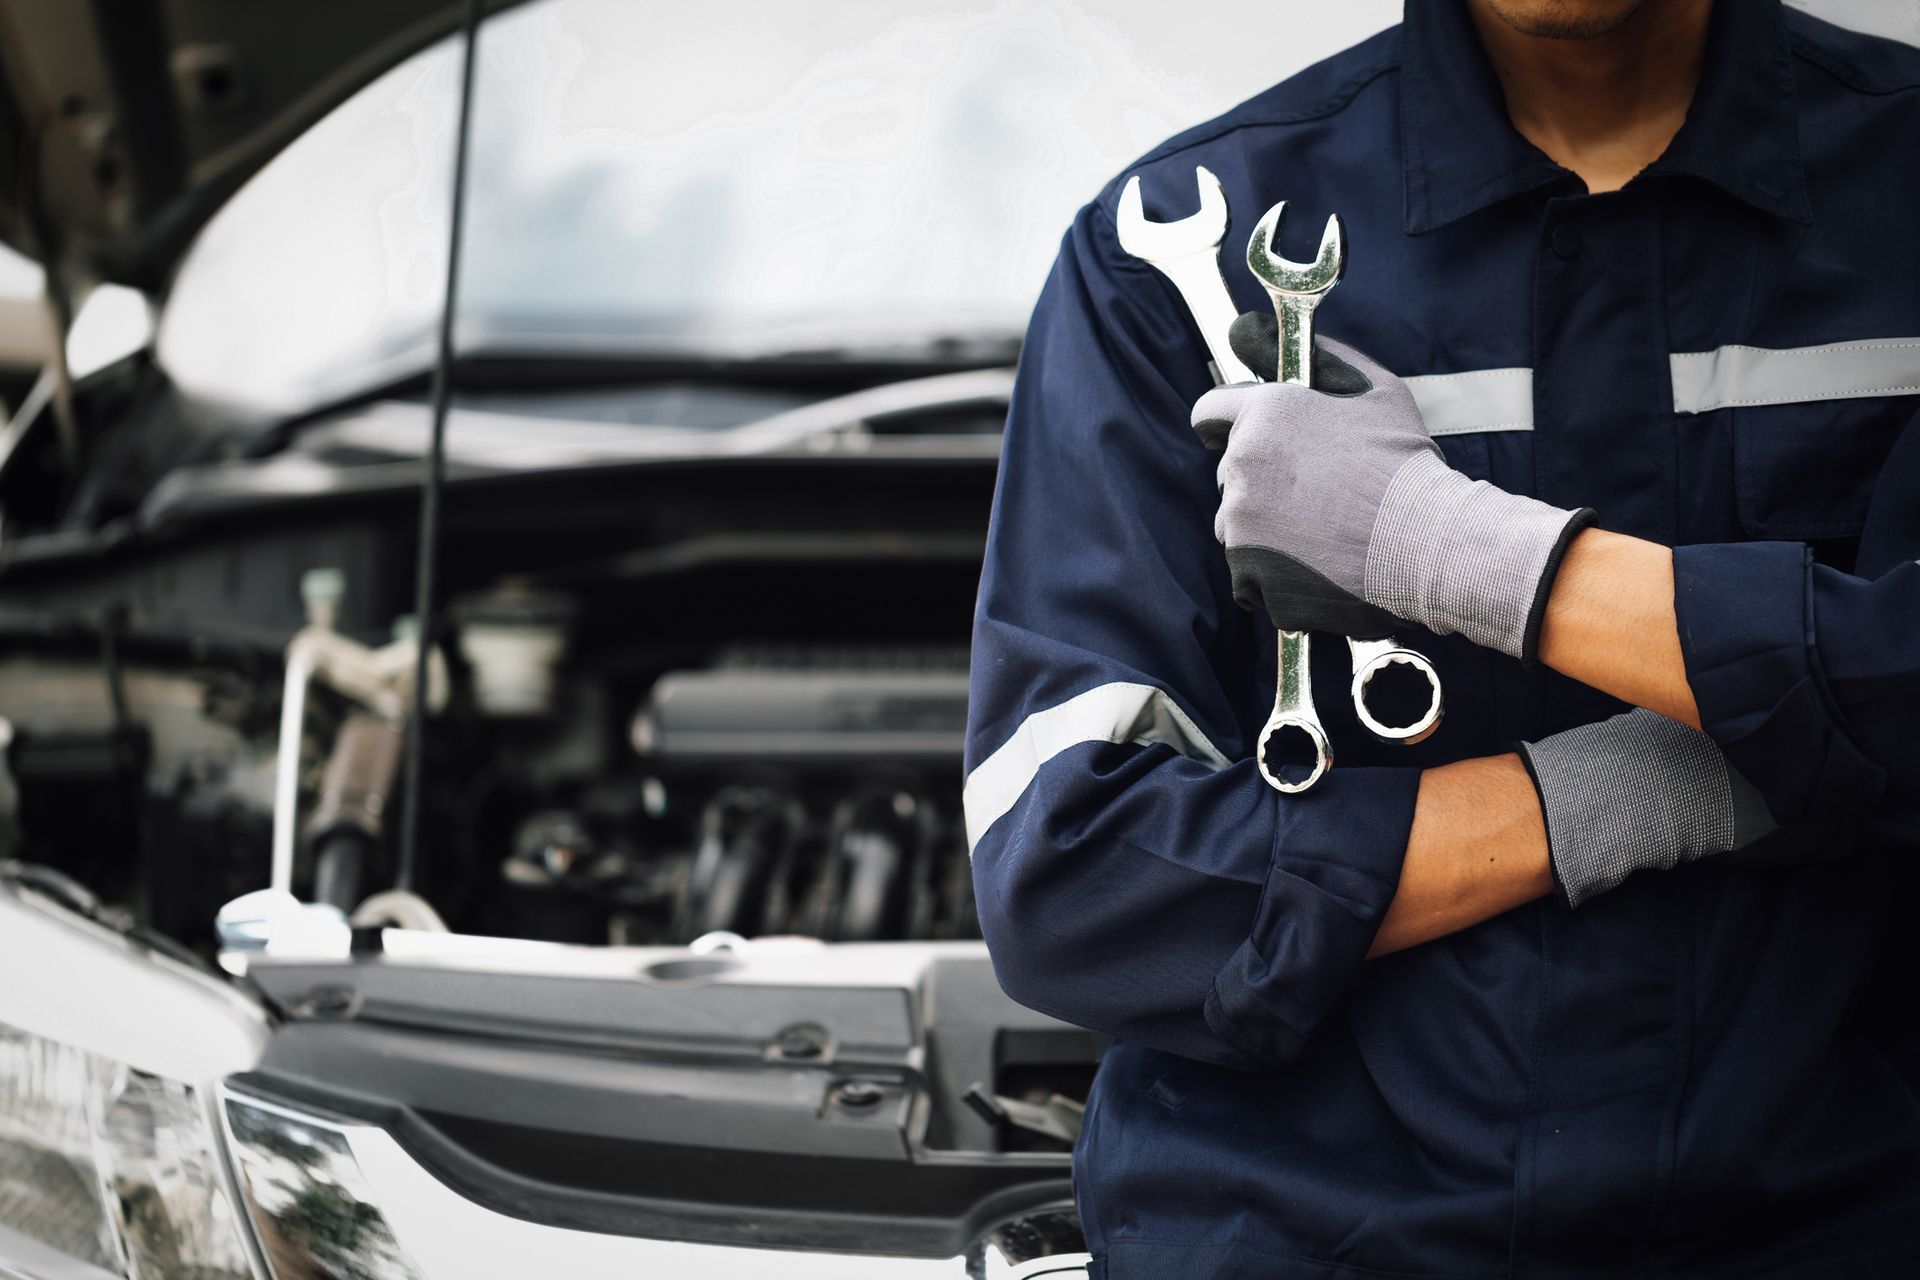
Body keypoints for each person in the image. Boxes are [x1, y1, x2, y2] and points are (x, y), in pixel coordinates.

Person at [963, 0, 1920, 1275]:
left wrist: (1435, 538)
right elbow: (1079, 873)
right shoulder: (1180, 262)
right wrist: (1658, 781)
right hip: (1310, 1236)